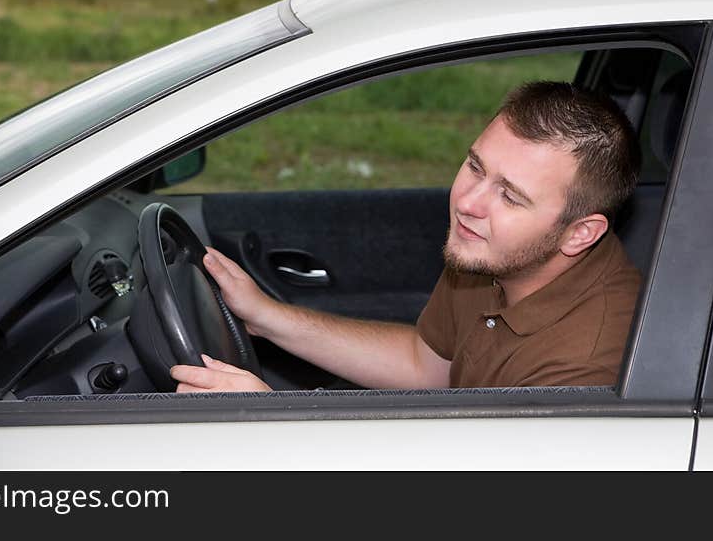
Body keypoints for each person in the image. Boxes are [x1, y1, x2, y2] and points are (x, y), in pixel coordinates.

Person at [171, 81, 643, 392]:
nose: (468, 203)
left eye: (511, 197)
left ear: (580, 234)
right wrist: (267, 317)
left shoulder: (586, 369)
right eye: (476, 166)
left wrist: (269, 425)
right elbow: (427, 365)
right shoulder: (500, 256)